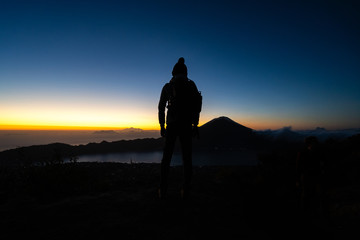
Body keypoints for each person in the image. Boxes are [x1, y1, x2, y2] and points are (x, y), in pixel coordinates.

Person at [158, 57, 201, 200]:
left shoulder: (167, 86)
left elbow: (160, 108)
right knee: (187, 158)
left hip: (171, 125)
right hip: (186, 126)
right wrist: (195, 125)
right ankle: (186, 190)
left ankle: (163, 190)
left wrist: (162, 126)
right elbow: (197, 107)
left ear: (173, 72)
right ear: (186, 72)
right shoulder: (191, 85)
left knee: (166, 159)